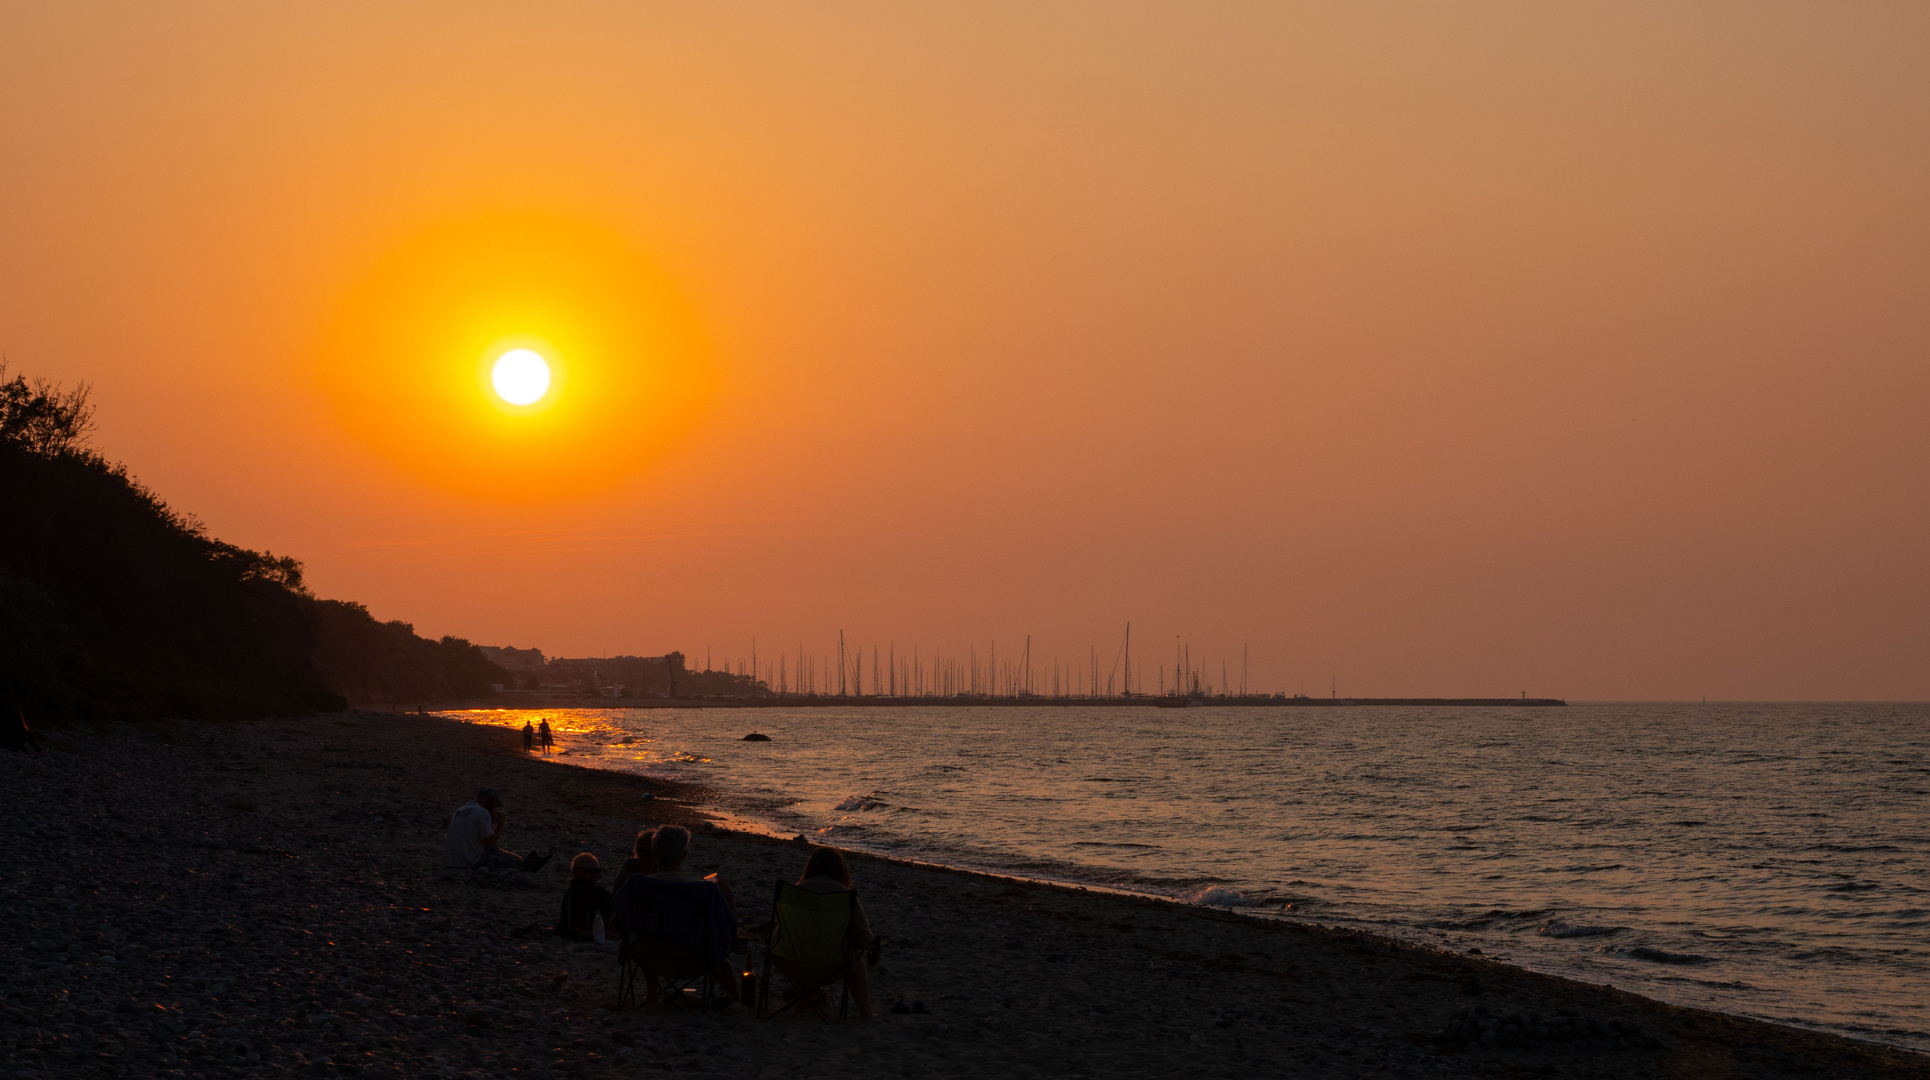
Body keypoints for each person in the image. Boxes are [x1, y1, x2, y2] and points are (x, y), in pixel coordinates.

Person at [613, 825, 742, 1001]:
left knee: (648, 932)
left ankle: (653, 993)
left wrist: (627, 944)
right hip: (694, 961)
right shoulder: (706, 890)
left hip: (648, 956)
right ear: (684, 855)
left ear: (655, 854)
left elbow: (617, 921)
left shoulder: (637, 885)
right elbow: (724, 928)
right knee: (720, 958)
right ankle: (737, 1000)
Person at [790, 846, 881, 1018]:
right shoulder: (846, 895)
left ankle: (804, 1002)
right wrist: (873, 943)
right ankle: (866, 1011)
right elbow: (863, 936)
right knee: (855, 957)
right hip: (833, 964)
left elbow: (782, 929)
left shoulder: (795, 891)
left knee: (810, 946)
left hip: (792, 961)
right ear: (841, 870)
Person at [444, 788, 553, 871]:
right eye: (495, 807)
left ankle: (525, 861)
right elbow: (489, 843)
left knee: (494, 851)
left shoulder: (461, 809)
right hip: (468, 861)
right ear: (490, 803)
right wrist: (500, 824)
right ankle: (529, 866)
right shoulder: (483, 812)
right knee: (506, 864)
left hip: (451, 860)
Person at [557, 853, 617, 942]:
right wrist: (604, 936)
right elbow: (574, 928)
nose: (594, 874)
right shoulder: (575, 894)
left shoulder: (600, 892)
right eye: (589, 871)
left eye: (597, 871)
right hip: (593, 939)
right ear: (575, 872)